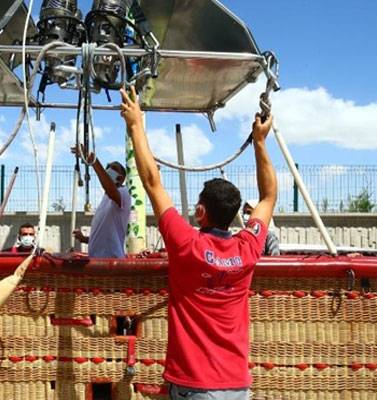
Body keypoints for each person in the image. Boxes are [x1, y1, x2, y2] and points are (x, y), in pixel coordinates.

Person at [119, 86, 277, 399]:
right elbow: (269, 196)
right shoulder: (248, 247)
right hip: (237, 385)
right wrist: (260, 142)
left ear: (201, 211)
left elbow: (152, 182)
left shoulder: (185, 243)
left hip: (194, 385)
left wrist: (135, 124)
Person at [71, 146, 132, 258]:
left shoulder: (124, 193)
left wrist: (93, 161)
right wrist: (84, 239)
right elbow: (104, 237)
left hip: (112, 262)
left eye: (113, 168)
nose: (108, 169)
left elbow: (109, 189)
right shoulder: (106, 199)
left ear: (121, 178)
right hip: (98, 260)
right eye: (107, 167)